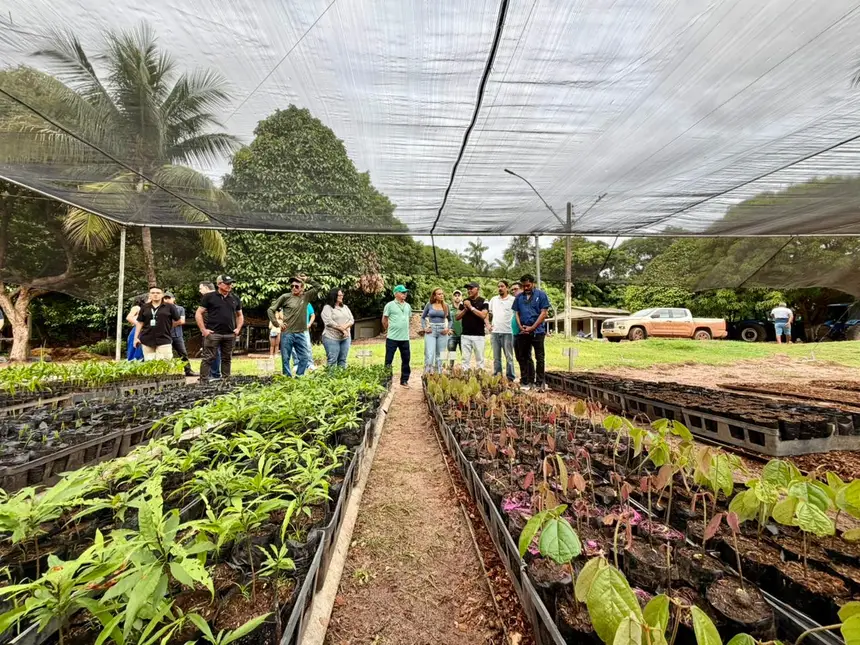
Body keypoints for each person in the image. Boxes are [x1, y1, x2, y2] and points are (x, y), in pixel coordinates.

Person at [267, 275, 320, 377]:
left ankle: (299, 376)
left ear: (302, 288)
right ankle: (287, 378)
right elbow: (270, 310)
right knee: (285, 358)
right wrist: (277, 323)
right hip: (287, 333)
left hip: (301, 333)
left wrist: (307, 279)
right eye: (292, 286)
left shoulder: (306, 297)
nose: (294, 288)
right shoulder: (285, 297)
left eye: (296, 286)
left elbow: (318, 287)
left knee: (305, 357)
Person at [196, 275, 243, 381]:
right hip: (213, 333)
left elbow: (240, 315)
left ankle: (226, 380)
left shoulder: (235, 298)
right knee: (208, 357)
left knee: (227, 358)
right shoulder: (209, 297)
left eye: (230, 283)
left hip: (229, 334)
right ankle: (203, 381)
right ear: (219, 284)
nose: (229, 285)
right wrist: (203, 330)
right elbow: (198, 313)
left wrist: (238, 328)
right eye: (227, 283)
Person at [512, 274, 551, 391]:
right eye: (524, 286)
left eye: (528, 285)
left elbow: (543, 313)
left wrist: (533, 327)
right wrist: (520, 326)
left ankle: (539, 382)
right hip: (523, 331)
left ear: (533, 284)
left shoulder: (541, 295)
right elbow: (516, 313)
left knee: (540, 357)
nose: (526, 288)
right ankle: (526, 381)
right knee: (523, 357)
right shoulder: (519, 297)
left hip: (538, 331)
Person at [134, 286, 180, 361]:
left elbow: (178, 320)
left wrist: (167, 326)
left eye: (158, 293)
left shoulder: (170, 307)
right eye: (153, 293)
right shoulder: (144, 307)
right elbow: (140, 322)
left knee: (164, 363)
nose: (155, 295)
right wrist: (135, 338)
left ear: (162, 295)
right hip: (147, 340)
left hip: (164, 339)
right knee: (149, 364)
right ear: (149, 295)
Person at [382, 285, 412, 387]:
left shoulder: (408, 306)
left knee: (406, 359)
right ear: (396, 294)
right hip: (392, 338)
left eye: (405, 292)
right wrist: (389, 329)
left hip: (405, 338)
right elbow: (384, 320)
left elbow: (409, 318)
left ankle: (404, 380)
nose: (405, 294)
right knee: (389, 360)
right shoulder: (390, 305)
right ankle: (387, 381)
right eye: (402, 292)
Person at [456, 282, 489, 370]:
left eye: (471, 288)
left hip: (479, 335)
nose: (469, 290)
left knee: (480, 359)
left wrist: (470, 307)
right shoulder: (464, 301)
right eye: (468, 289)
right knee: (465, 360)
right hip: (465, 335)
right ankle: (465, 376)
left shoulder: (484, 301)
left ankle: (480, 376)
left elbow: (483, 315)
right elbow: (457, 317)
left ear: (477, 289)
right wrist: (465, 309)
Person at [488, 280, 516, 381]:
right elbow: (488, 313)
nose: (500, 288)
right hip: (495, 332)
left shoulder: (513, 300)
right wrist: (488, 324)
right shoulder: (494, 299)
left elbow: (517, 314)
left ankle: (510, 378)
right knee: (496, 357)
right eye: (499, 286)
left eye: (502, 286)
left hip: (508, 332)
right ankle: (498, 377)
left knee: (509, 357)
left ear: (507, 288)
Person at [321, 288, 355, 368]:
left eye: (342, 295)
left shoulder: (345, 307)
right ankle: (331, 376)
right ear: (334, 296)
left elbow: (351, 320)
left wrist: (344, 328)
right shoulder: (327, 308)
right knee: (332, 360)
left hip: (345, 338)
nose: (341, 297)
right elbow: (329, 322)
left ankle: (341, 375)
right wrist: (342, 330)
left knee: (342, 360)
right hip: (331, 337)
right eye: (339, 295)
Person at [164, 292, 196, 376]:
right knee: (166, 354)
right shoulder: (161, 309)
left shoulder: (180, 308)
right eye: (165, 298)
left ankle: (188, 370)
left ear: (173, 299)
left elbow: (182, 321)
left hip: (177, 335)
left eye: (169, 298)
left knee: (183, 353)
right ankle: (167, 372)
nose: (167, 300)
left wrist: (167, 324)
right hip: (165, 335)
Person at [421, 288, 452, 374]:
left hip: (442, 331)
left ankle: (439, 374)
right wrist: (424, 328)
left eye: (442, 294)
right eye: (439, 294)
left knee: (441, 355)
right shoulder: (429, 305)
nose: (441, 295)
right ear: (434, 296)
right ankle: (427, 374)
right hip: (431, 331)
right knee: (430, 353)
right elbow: (423, 318)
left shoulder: (446, 306)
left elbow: (450, 320)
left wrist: (447, 329)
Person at [198, 282, 221, 379]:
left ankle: (214, 374)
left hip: (212, 330)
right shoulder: (214, 297)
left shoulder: (212, 297)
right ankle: (209, 374)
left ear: (206, 288)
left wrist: (205, 329)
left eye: (201, 288)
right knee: (210, 352)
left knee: (213, 352)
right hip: (209, 329)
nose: (199, 291)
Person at [292, 303, 317, 372]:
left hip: (304, 329)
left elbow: (312, 315)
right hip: (293, 328)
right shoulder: (291, 302)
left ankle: (310, 364)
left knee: (308, 346)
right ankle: (297, 364)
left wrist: (309, 324)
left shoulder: (307, 304)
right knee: (294, 347)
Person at [125, 295, 147, 361]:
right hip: (137, 330)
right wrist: (139, 325)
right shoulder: (137, 308)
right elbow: (129, 317)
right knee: (134, 349)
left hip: (144, 330)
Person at [448, 289, 463, 368]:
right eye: (455, 295)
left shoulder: (464, 308)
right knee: (452, 354)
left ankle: (465, 370)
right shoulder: (449, 308)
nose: (457, 297)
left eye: (458, 295)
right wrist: (448, 329)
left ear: (461, 297)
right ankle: (450, 369)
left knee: (464, 354)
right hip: (452, 335)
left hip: (463, 334)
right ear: (453, 297)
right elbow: (445, 319)